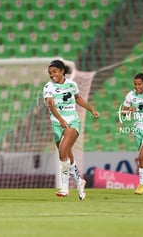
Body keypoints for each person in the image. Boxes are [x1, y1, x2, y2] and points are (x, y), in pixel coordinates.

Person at [43, 60, 100, 200]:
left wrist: (91, 109)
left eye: (54, 71)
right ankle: (80, 181)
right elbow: (51, 106)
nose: (52, 75)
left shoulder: (72, 85)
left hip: (72, 121)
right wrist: (60, 120)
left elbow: (78, 98)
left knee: (62, 151)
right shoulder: (48, 87)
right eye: (50, 73)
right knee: (66, 155)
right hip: (57, 124)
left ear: (62, 71)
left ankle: (64, 187)